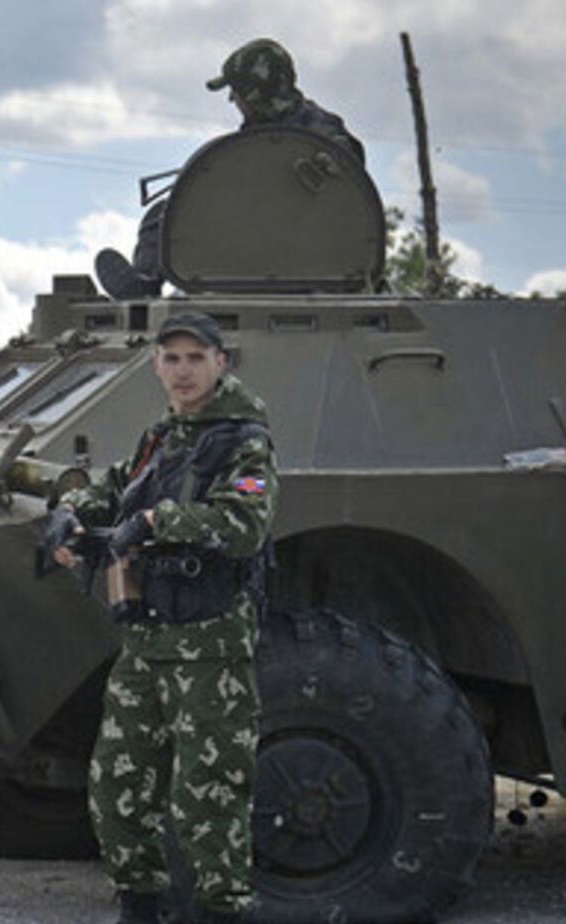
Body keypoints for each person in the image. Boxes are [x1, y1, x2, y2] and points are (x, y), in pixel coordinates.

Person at [47, 311, 278, 924]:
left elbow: (244, 524)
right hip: (147, 644)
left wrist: (156, 522)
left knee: (208, 799)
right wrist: (69, 512)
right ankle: (139, 902)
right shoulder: (163, 437)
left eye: (195, 359)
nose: (182, 371)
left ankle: (222, 910)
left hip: (210, 647)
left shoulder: (243, 440)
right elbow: (115, 486)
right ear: (155, 366)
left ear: (220, 363)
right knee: (118, 792)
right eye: (171, 359)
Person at [97, 37, 367, 299]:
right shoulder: (265, 132)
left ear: (253, 94)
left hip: (299, 243)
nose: (231, 100)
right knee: (164, 212)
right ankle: (144, 284)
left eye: (235, 91)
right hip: (259, 239)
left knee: (164, 214)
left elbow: (346, 186)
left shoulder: (320, 133)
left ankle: (147, 281)